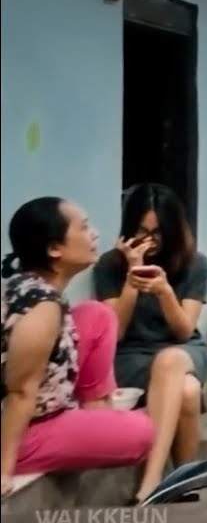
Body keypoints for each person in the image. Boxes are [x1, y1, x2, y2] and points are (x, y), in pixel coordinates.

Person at [0, 197, 155, 498]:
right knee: (142, 433)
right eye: (83, 228)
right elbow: (20, 391)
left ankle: (94, 412)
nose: (94, 234)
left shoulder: (30, 286)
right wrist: (4, 469)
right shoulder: (42, 306)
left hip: (43, 403)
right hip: (23, 427)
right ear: (54, 249)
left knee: (98, 316)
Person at [94, 183, 207, 504]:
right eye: (141, 230)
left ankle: (151, 481)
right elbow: (114, 333)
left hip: (184, 350)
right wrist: (132, 277)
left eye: (158, 232)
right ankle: (184, 483)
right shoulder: (109, 265)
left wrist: (164, 291)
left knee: (171, 360)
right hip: (130, 355)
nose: (149, 240)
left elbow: (184, 331)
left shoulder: (194, 263)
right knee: (187, 392)